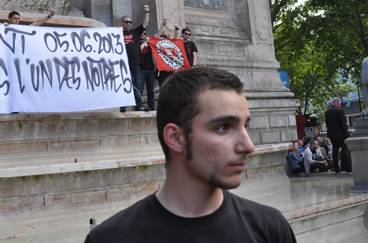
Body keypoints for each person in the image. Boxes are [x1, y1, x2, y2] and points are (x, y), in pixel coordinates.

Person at [84, 67, 297, 243]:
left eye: (245, 126)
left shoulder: (271, 229)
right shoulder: (108, 239)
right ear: (176, 138)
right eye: (224, 127)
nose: (248, 145)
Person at [119, 5, 150, 113]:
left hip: (135, 63)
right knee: (123, 83)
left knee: (137, 84)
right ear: (121, 22)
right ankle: (123, 105)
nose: (128, 23)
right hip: (122, 63)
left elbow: (145, 24)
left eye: (130, 22)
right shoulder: (117, 33)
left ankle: (138, 105)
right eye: (126, 22)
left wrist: (147, 12)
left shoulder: (135, 32)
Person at [325, 97, 353, 173]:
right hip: (341, 135)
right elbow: (343, 125)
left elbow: (327, 124)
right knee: (345, 150)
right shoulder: (340, 110)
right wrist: (347, 134)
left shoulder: (327, 111)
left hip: (332, 136)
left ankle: (336, 168)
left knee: (335, 151)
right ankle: (348, 168)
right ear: (338, 103)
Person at [140, 31, 156, 110]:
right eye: (142, 33)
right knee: (140, 90)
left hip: (150, 69)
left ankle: (152, 107)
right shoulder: (136, 42)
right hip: (141, 70)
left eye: (145, 33)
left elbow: (156, 36)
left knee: (151, 90)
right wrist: (145, 41)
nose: (143, 35)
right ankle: (139, 106)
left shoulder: (149, 43)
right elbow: (138, 50)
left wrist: (163, 25)